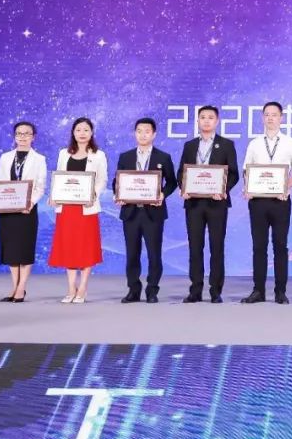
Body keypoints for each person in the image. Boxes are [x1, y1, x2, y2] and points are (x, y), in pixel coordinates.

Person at [242, 101, 292, 304]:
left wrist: (286, 188)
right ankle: (258, 290)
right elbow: (246, 170)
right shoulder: (254, 143)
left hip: (280, 201)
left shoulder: (290, 142)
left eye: (274, 114)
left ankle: (280, 291)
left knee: (280, 246)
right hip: (258, 202)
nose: (270, 118)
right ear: (262, 118)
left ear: (281, 118)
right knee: (259, 246)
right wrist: (247, 187)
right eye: (267, 114)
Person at [177, 106, 240, 304]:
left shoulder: (226, 145)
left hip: (217, 203)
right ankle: (195, 290)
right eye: (202, 117)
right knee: (195, 247)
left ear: (217, 121)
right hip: (194, 204)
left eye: (210, 117)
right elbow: (182, 172)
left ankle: (215, 290)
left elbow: (234, 173)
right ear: (197, 121)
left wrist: (223, 189)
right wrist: (184, 188)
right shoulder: (190, 146)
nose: (206, 120)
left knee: (216, 247)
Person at [113, 117, 178, 304]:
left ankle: (152, 290)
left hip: (153, 213)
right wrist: (118, 194)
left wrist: (162, 194)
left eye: (147, 131)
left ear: (154, 134)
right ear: (135, 133)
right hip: (131, 212)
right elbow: (117, 181)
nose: (143, 135)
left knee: (154, 254)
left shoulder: (163, 157)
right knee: (132, 253)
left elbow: (172, 182)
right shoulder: (125, 157)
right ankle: (133, 290)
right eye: (139, 131)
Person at [48, 117, 108, 303]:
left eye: (86, 130)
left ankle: (82, 288)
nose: (82, 133)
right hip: (66, 208)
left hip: (86, 208)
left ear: (92, 133)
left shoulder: (98, 155)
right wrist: (53, 195)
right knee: (69, 247)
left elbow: (102, 180)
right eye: (78, 130)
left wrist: (93, 195)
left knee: (86, 247)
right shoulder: (63, 153)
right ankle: (70, 288)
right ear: (73, 133)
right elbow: (59, 178)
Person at [0, 120, 47, 302]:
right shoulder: (5, 157)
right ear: (14, 136)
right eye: (19, 133)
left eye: (27, 133)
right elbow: (0, 183)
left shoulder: (39, 159)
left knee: (25, 248)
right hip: (7, 210)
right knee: (11, 249)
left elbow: (40, 187)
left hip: (27, 210)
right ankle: (14, 287)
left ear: (33, 137)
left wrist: (29, 203)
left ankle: (22, 287)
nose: (23, 137)